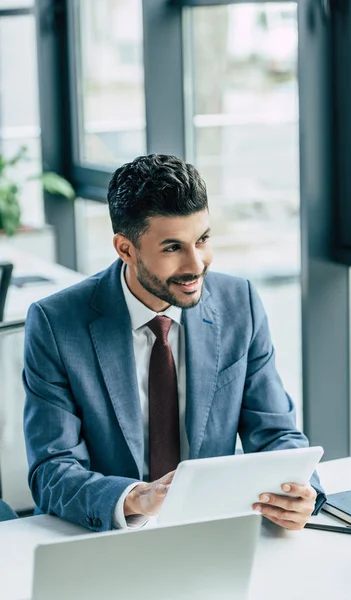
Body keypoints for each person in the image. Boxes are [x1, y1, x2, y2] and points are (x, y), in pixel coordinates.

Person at [23, 154, 325, 532]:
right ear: (125, 249)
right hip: (99, 535)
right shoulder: (56, 323)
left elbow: (275, 431)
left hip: (211, 531)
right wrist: (135, 498)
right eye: (172, 248)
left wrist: (302, 492)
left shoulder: (239, 303)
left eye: (202, 240)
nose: (196, 264)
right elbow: (51, 470)